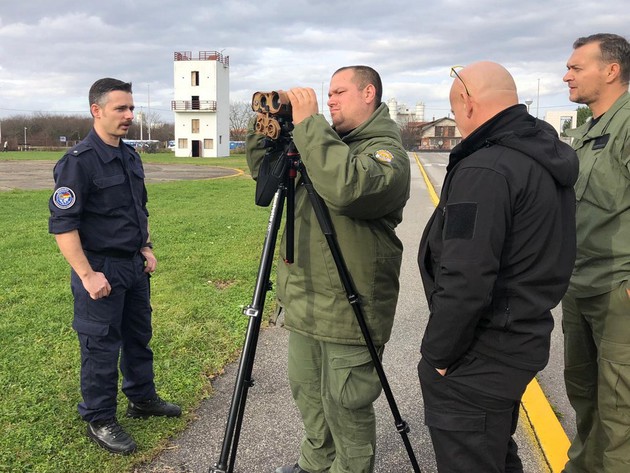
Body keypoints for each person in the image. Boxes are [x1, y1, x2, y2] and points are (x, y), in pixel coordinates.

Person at [246, 66, 410, 473]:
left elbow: (348, 188)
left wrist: (311, 126)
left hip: (349, 306)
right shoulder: (325, 144)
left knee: (346, 403)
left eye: (339, 92)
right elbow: (263, 177)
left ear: (368, 93)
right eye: (329, 93)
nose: (330, 100)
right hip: (307, 300)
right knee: (309, 395)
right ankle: (315, 463)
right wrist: (271, 126)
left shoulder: (384, 151)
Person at [416, 61, 578, 472]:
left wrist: (437, 355)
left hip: (482, 352)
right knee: (494, 452)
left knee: (471, 456)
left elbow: (466, 277)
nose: (457, 120)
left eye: (454, 111)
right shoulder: (538, 155)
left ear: (468, 103)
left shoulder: (486, 169)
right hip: (520, 336)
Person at [48, 78, 181, 455]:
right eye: (121, 108)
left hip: (133, 267)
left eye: (131, 108)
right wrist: (88, 275)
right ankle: (99, 416)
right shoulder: (78, 164)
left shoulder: (129, 155)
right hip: (100, 267)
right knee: (101, 346)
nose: (129, 115)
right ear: (97, 110)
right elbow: (63, 225)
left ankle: (142, 398)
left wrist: (146, 246)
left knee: (138, 337)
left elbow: (139, 208)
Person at [561, 33, 630, 473]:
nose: (566, 75)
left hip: (617, 290)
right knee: (584, 396)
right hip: (580, 285)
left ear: (611, 70)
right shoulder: (586, 132)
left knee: (620, 411)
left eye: (576, 67)